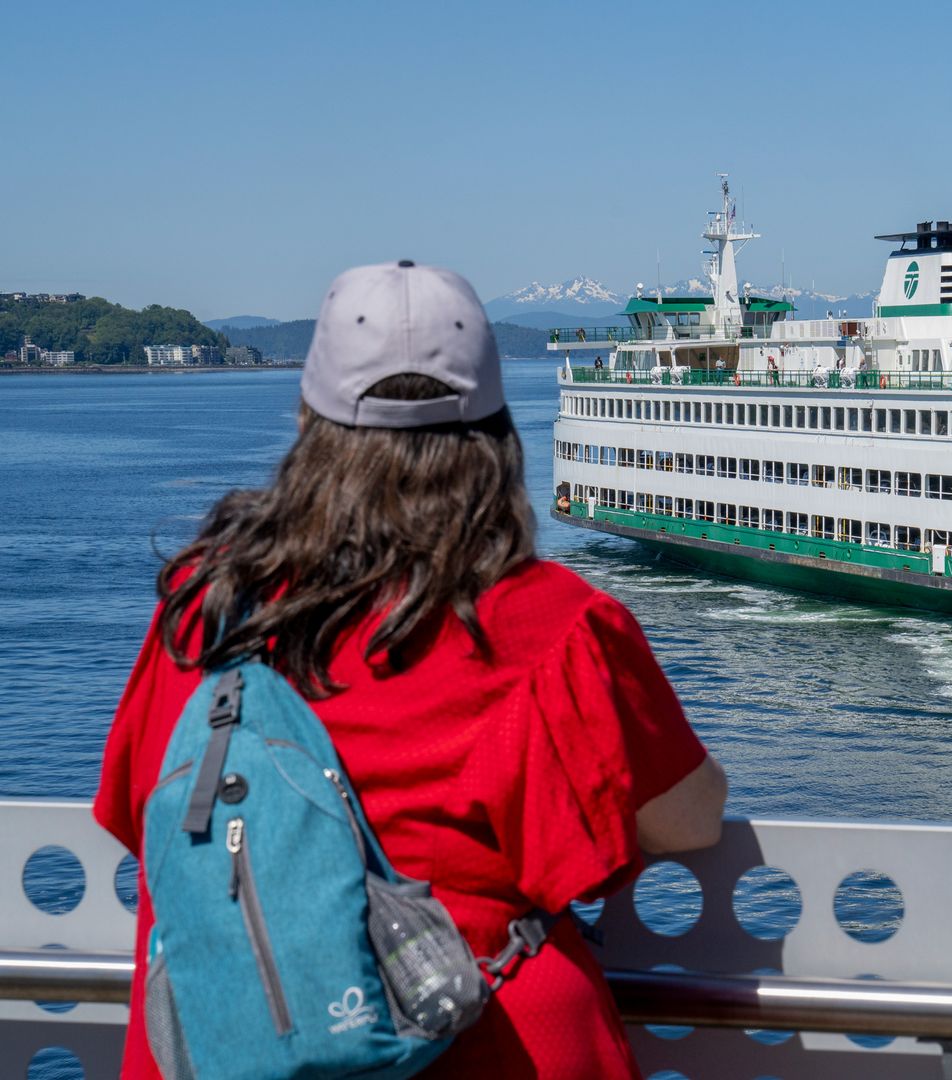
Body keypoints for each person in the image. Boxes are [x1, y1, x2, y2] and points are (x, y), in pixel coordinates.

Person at [94, 261, 727, 1079]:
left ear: (307, 418)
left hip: (217, 1044)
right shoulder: (549, 626)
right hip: (487, 1041)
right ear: (498, 434)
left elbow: (136, 813)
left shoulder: (203, 604)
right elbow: (690, 819)